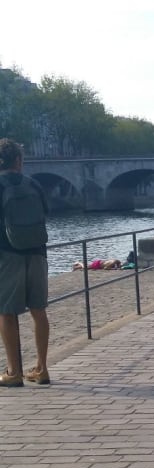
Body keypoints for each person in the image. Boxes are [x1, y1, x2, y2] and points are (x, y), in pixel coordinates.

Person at [0, 138, 51, 387]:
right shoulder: (34, 184)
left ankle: (14, 372)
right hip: (38, 253)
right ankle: (41, 368)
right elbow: (45, 213)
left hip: (7, 254)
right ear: (19, 161)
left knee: (7, 313)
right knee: (38, 310)